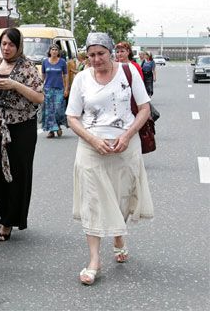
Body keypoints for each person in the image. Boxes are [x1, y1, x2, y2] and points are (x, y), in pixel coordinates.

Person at [66, 32, 154, 286]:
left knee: (122, 198)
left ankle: (118, 235)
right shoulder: (82, 78)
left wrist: (126, 136)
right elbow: (72, 117)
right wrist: (92, 140)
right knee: (92, 200)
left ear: (111, 52)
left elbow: (145, 108)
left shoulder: (128, 73)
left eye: (100, 54)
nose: (95, 59)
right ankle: (94, 259)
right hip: (91, 147)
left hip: (124, 146)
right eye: (91, 55)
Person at [0, 28, 43, 240]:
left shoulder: (27, 67)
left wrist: (15, 85)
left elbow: (39, 97)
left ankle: (8, 221)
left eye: (11, 44)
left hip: (22, 126)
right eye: (3, 44)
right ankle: (3, 213)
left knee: (18, 173)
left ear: (19, 47)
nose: (6, 48)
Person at [41, 43, 68, 138]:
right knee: (49, 111)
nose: (54, 51)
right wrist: (41, 88)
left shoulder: (62, 62)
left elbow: (65, 75)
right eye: (52, 49)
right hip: (48, 89)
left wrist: (66, 88)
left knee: (57, 110)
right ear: (49, 51)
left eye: (56, 50)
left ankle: (58, 126)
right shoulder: (45, 62)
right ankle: (51, 131)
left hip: (59, 89)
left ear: (58, 52)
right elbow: (43, 76)